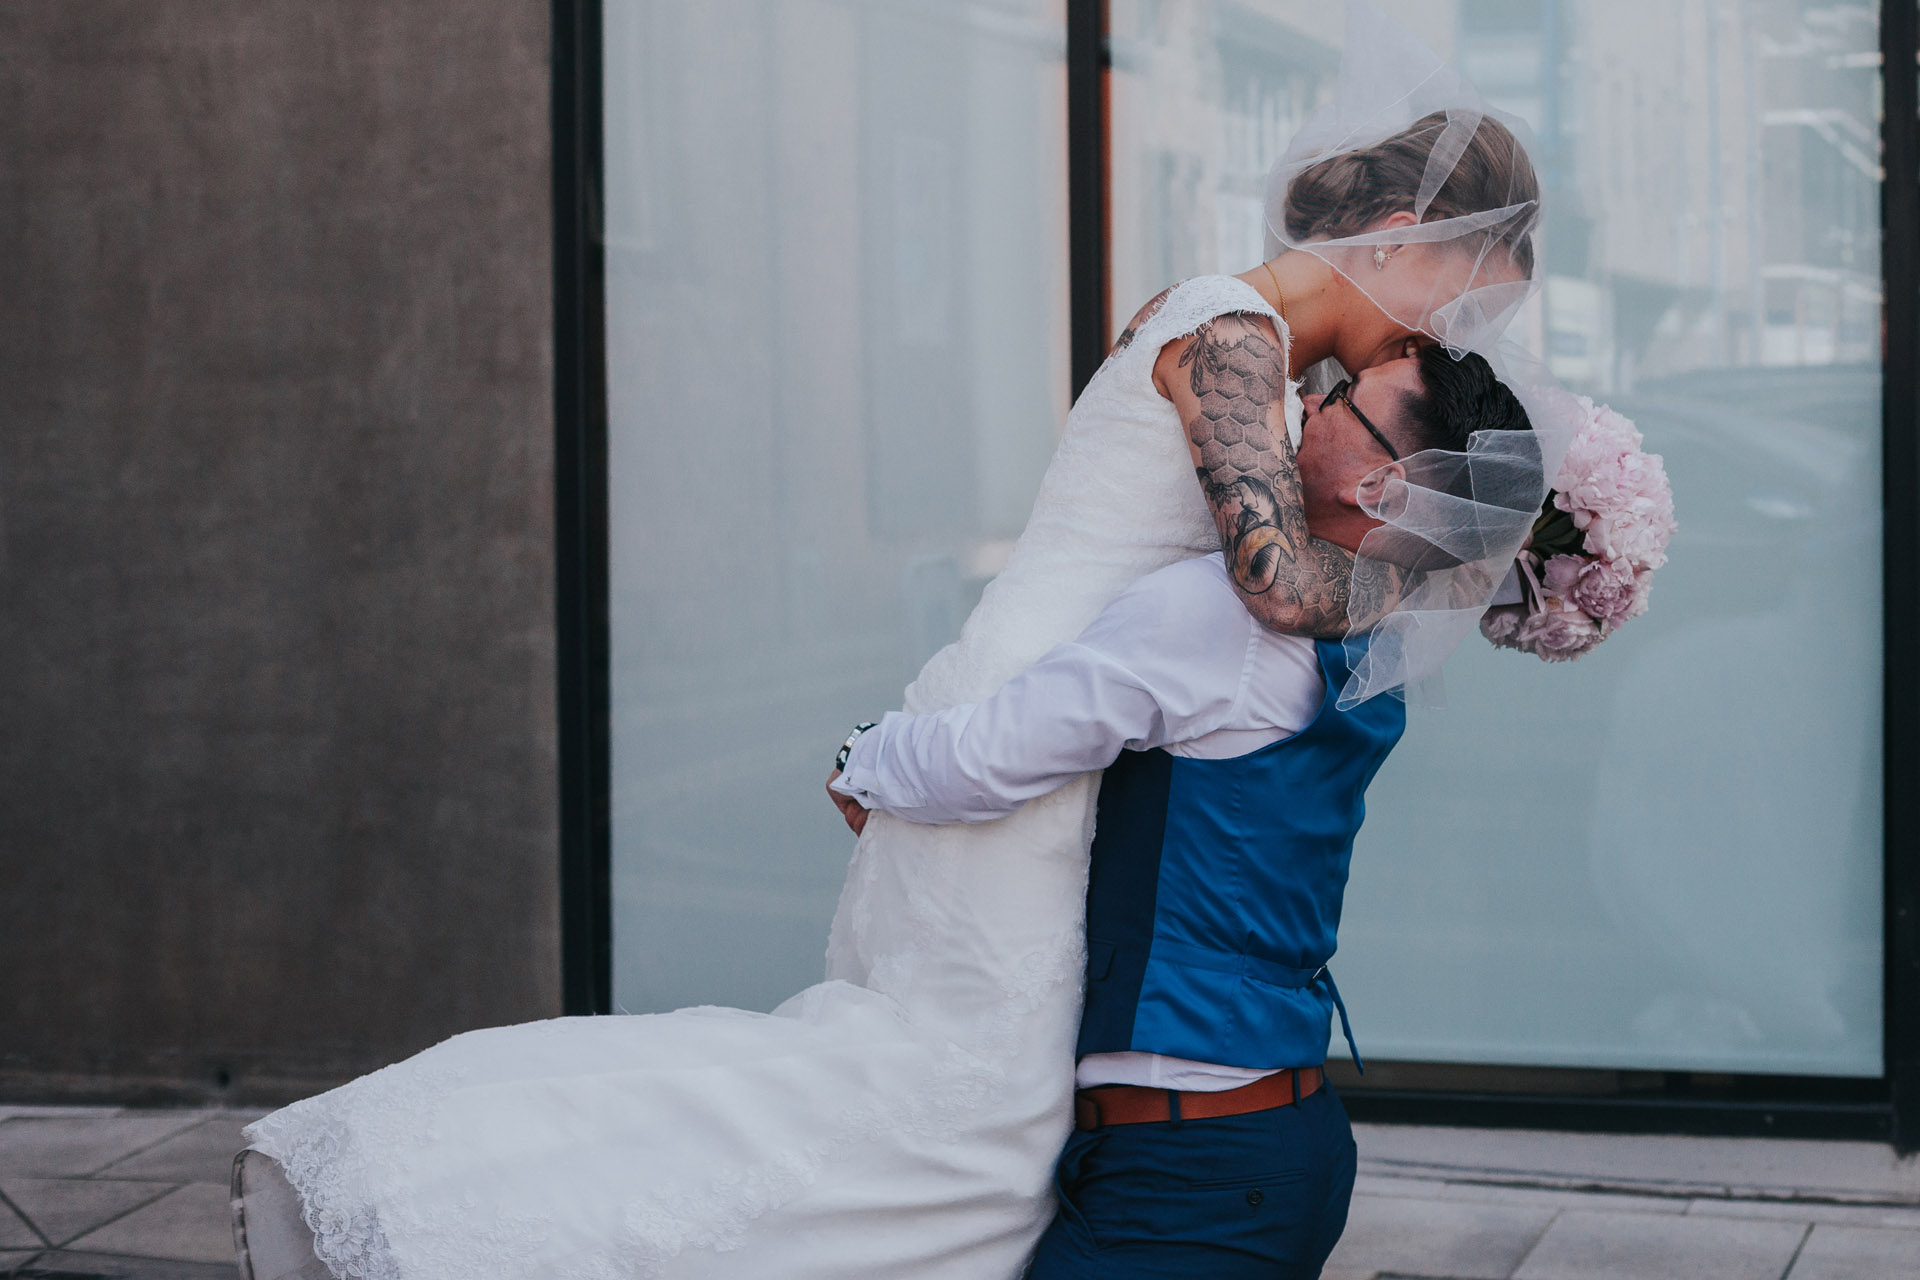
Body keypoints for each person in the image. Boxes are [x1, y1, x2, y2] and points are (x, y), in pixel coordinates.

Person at [232, 8, 1554, 1279]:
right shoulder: (1232, 337)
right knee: (948, 1110)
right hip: (1027, 728)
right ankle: (457, 1194)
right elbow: (1271, 580)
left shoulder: (1231, 328)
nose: (1449, 338)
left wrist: (1480, 536)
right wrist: (1451, 577)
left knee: (964, 1113)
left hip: (1064, 716)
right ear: (1397, 236)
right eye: (1461, 302)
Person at [824, 346, 1533, 1279]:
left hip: (1191, 1172)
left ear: (1385, 489)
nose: (1309, 401)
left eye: (1344, 400)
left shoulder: (1215, 620)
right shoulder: (1377, 633)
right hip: (1274, 1143)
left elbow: (981, 761)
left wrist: (859, 756)